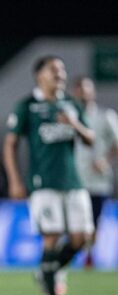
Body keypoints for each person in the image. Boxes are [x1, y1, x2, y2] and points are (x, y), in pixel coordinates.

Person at [2, 55, 95, 295]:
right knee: (52, 238)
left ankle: (45, 271)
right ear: (39, 75)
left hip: (73, 181)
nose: (60, 74)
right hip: (43, 183)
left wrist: (74, 123)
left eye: (63, 69)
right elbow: (10, 144)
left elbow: (91, 139)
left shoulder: (71, 104)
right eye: (54, 69)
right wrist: (15, 180)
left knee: (82, 239)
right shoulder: (28, 106)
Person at [72, 76, 118, 269]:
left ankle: (89, 257)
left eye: (87, 88)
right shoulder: (67, 118)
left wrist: (104, 160)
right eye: (80, 89)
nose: (83, 92)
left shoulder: (105, 116)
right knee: (75, 224)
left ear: (93, 92)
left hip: (98, 181)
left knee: (93, 223)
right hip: (73, 180)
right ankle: (74, 254)